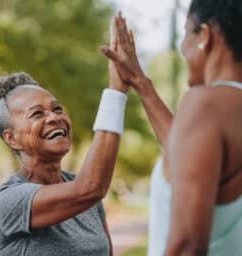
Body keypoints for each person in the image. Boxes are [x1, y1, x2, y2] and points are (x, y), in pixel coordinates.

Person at [102, 1, 242, 255]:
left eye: (186, 33)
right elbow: (190, 162)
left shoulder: (204, 104)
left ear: (206, 36)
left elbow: (188, 244)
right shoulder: (226, 113)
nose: (182, 48)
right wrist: (140, 82)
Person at [0, 18, 129, 255]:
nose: (54, 117)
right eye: (37, 114)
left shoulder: (83, 190)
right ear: (11, 138)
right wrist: (116, 92)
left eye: (57, 109)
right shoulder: (9, 201)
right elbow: (91, 187)